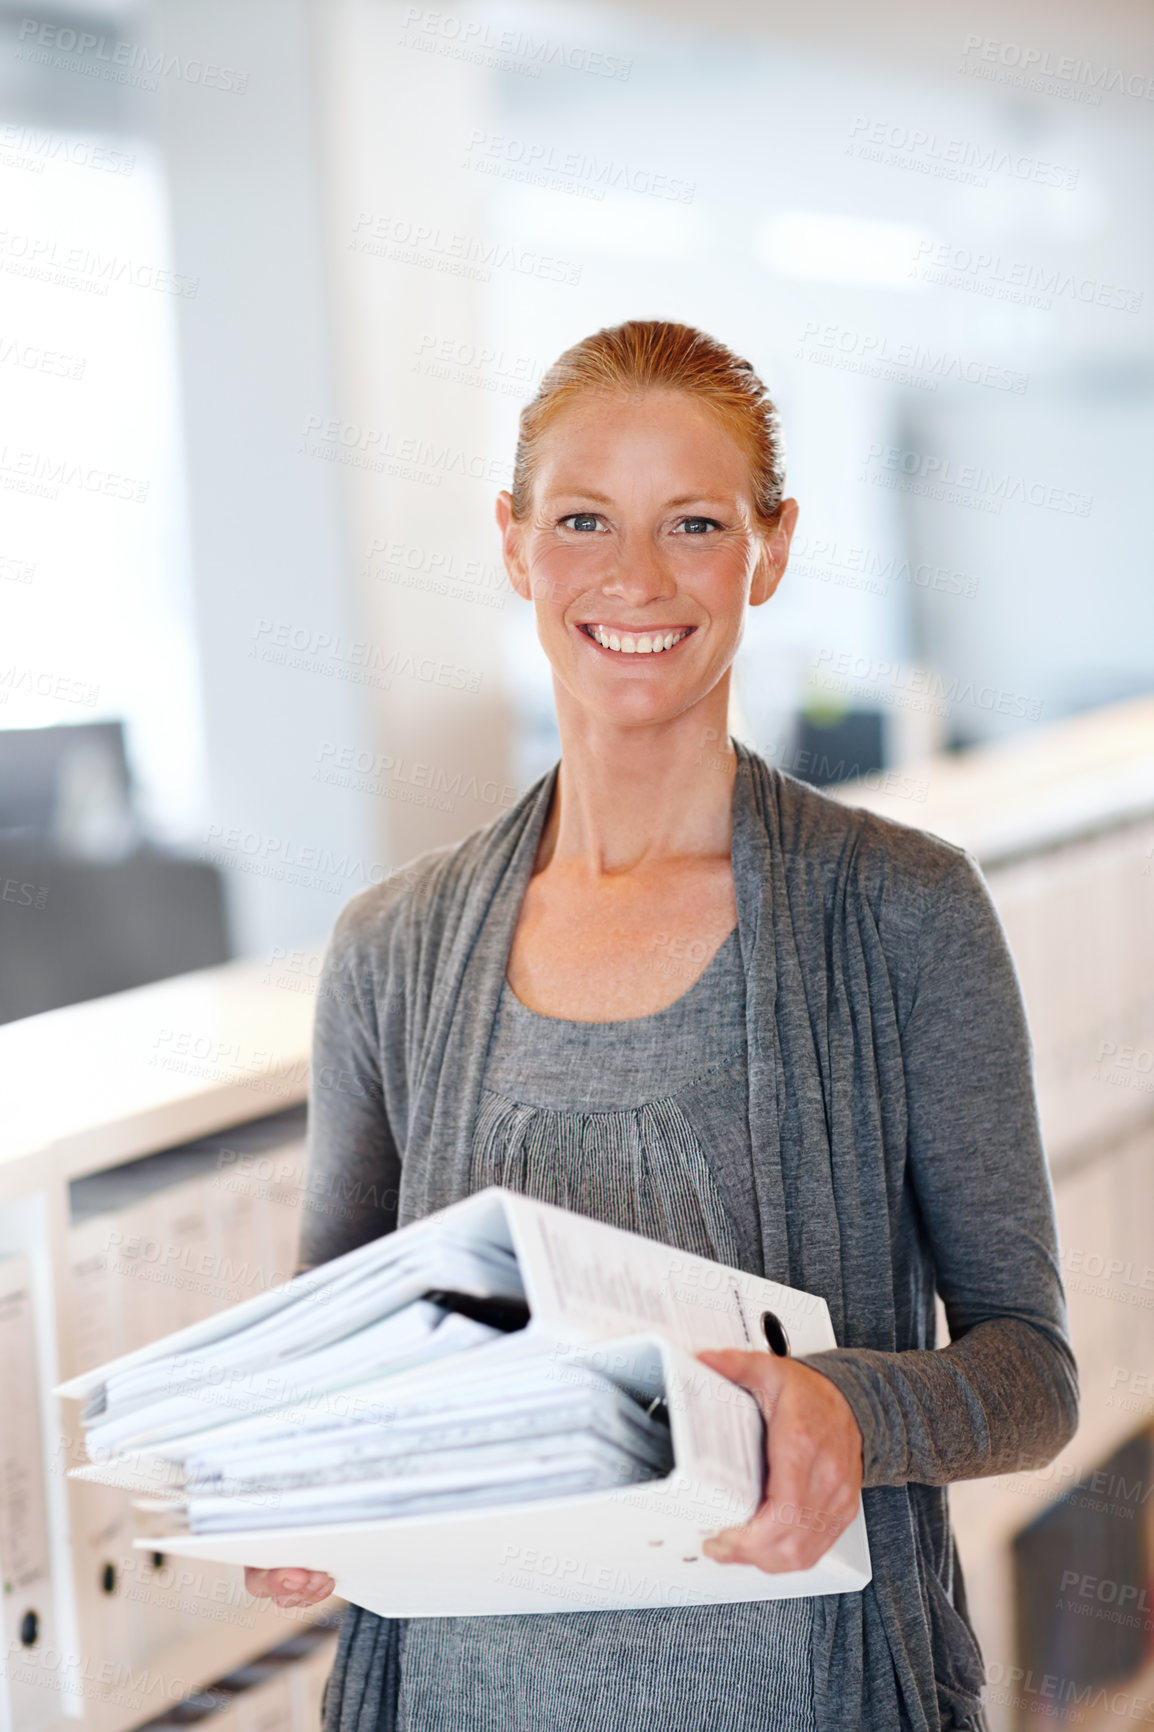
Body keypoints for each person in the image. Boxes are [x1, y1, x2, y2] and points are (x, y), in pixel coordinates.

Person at [245, 321, 1078, 1731]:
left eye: (692, 522)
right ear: (512, 544)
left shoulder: (905, 914)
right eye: (581, 521)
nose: (632, 578)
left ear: (769, 546)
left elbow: (1030, 1374)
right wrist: (288, 1475)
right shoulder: (389, 950)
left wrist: (847, 1411)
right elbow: (335, 1362)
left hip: (812, 1699)